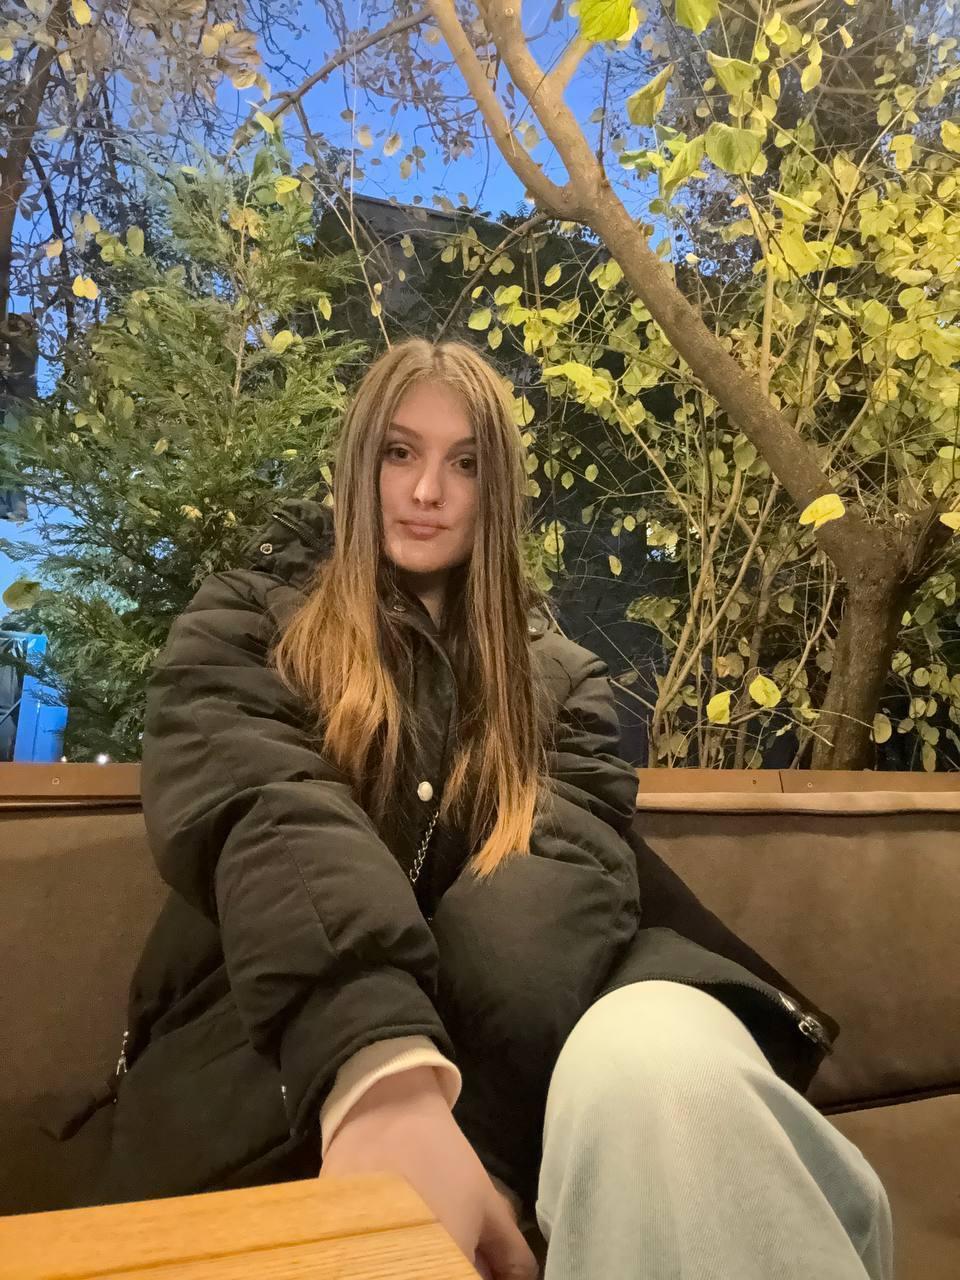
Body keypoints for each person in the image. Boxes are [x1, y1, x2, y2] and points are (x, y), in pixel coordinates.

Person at [85, 338, 892, 1279]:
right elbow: (271, 811)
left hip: (556, 1061)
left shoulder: (560, 681)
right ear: (359, 462)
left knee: (669, 1065)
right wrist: (381, 1069)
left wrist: (481, 1149)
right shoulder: (248, 622)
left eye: (464, 463)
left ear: (495, 490)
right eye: (400, 452)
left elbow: (548, 893)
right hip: (270, 1068)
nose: (428, 491)